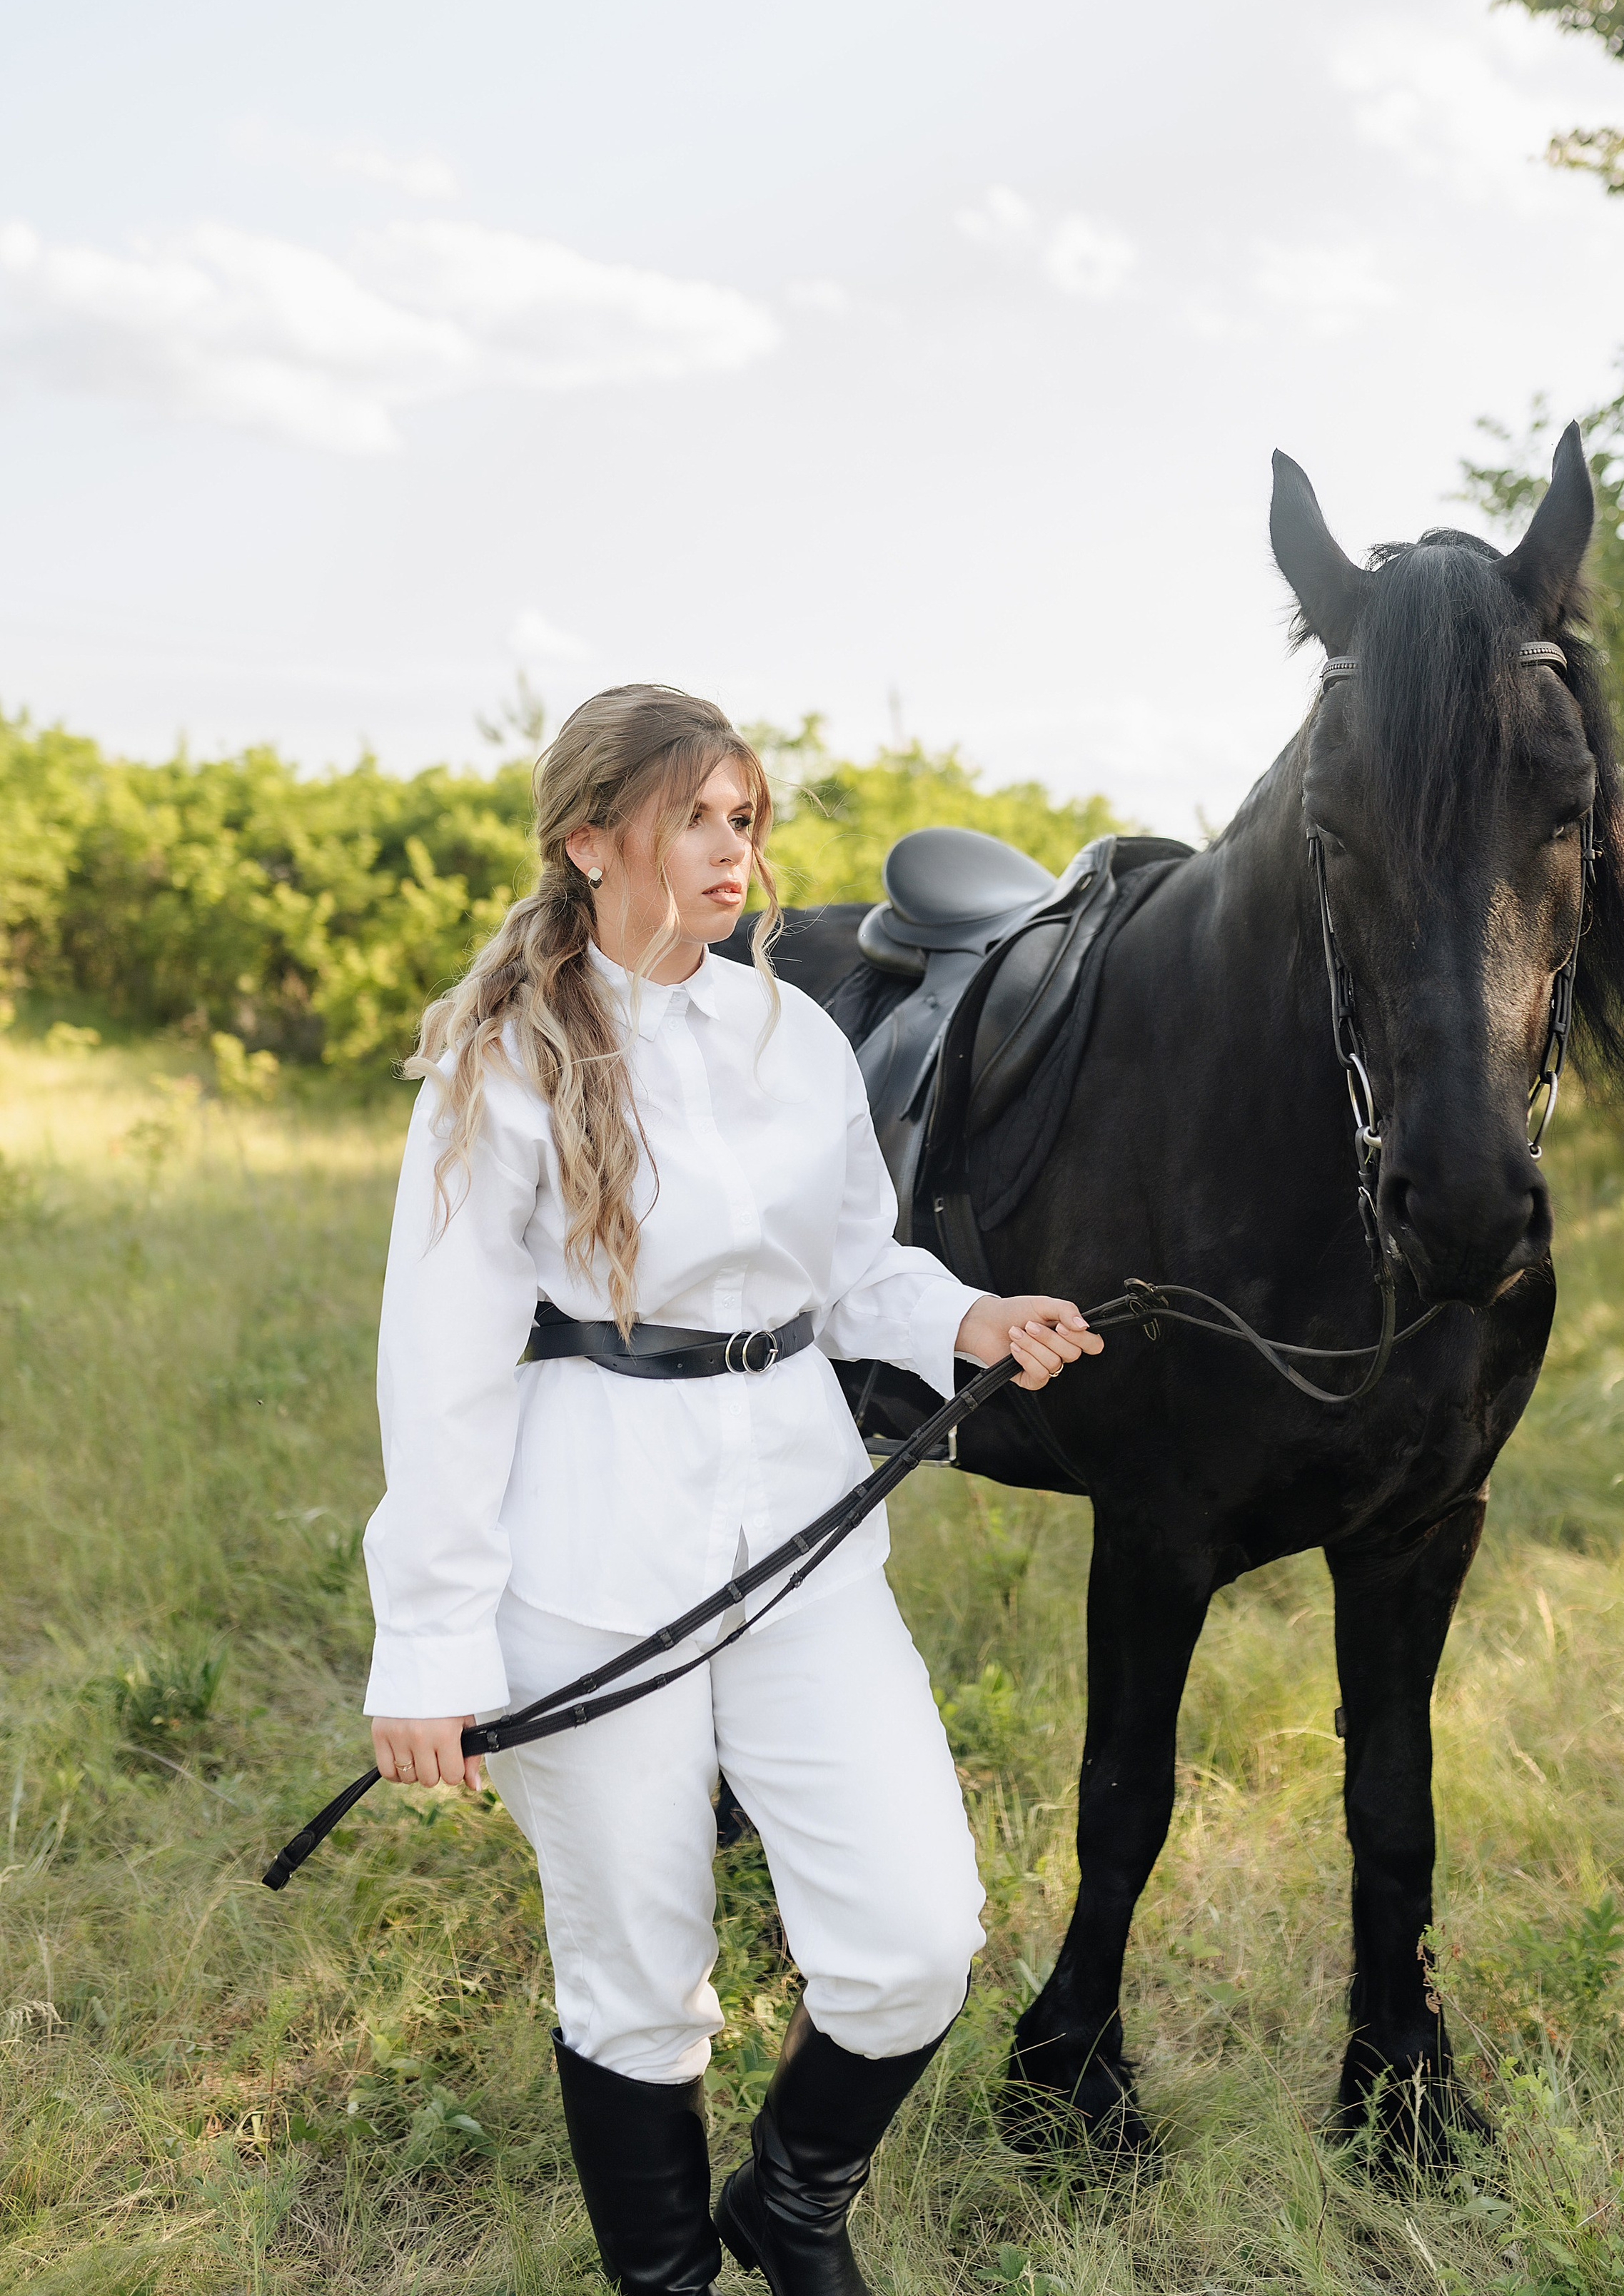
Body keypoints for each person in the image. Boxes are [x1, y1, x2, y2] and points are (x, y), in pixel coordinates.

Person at [362, 684, 1102, 2296]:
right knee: (634, 1967)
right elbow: (440, 1358)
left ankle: (787, 2199)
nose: (733, 847)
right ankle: (666, 2280)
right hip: (586, 1545)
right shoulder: (499, 1058)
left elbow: (853, 1267)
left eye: (747, 815)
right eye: (697, 814)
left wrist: (965, 1315)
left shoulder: (795, 1032)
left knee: (912, 1935)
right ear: (589, 835)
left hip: (796, 1528)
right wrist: (427, 1641)